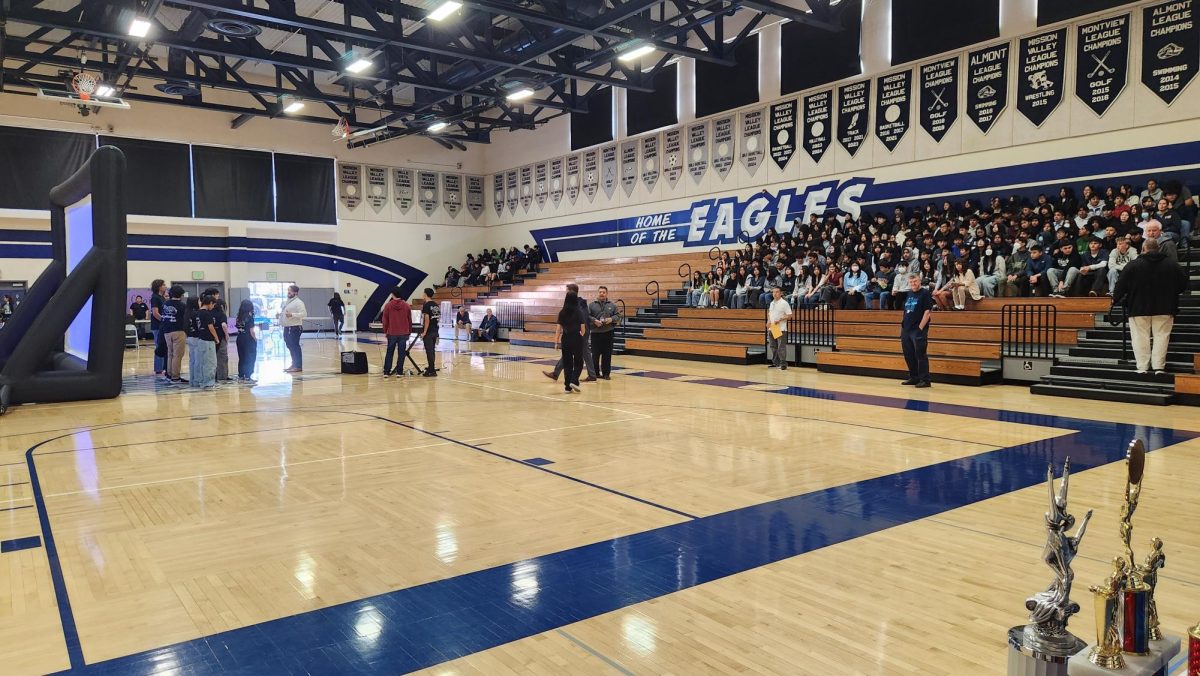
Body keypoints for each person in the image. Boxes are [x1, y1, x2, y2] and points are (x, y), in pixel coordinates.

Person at [1112, 238, 1187, 375]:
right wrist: (1171, 293)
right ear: (1158, 248)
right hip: (1165, 306)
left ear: (1143, 248)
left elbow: (1120, 286)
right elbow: (1183, 284)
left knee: (1140, 337)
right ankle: (1158, 367)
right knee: (1162, 336)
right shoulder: (1172, 264)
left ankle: (1142, 367)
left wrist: (1116, 300)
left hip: (1138, 306)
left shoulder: (1133, 265)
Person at [544, 283, 597, 382]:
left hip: (580, 332)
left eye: (567, 291)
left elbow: (583, 318)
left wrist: (582, 332)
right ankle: (591, 374)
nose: (566, 293)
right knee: (582, 353)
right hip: (580, 331)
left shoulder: (579, 303)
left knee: (579, 353)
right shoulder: (577, 303)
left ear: (571, 292)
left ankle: (559, 374)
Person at [900, 273, 933, 388]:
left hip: (917, 329)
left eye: (915, 281)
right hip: (906, 329)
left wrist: (920, 328)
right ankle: (914, 377)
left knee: (920, 355)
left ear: (919, 281)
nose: (913, 284)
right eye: (911, 282)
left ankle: (925, 379)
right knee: (908, 354)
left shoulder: (925, 293)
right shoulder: (909, 293)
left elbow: (927, 312)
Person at [554, 291, 586, 393]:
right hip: (576, 338)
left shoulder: (562, 312)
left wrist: (556, 342)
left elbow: (558, 329)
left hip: (566, 339)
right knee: (579, 362)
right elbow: (583, 329)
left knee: (567, 363)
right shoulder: (579, 312)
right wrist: (581, 336)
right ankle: (573, 380)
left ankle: (567, 387)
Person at [588, 286, 621, 380]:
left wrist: (611, 319)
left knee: (607, 354)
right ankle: (595, 373)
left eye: (603, 292)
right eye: (600, 292)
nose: (602, 294)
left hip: (608, 333)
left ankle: (606, 374)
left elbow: (618, 316)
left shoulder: (613, 305)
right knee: (595, 354)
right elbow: (587, 315)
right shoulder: (591, 305)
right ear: (597, 293)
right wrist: (594, 321)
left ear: (607, 293)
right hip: (595, 333)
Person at [188, 293, 219, 390]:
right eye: (213, 305)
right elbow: (211, 327)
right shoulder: (206, 313)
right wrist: (216, 338)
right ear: (210, 303)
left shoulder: (197, 313)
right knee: (210, 363)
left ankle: (200, 381)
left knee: (201, 362)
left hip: (200, 339)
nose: (213, 307)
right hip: (208, 341)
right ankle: (208, 383)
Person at [380, 287, 412, 378]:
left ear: (392, 294)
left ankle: (386, 372)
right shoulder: (406, 305)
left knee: (389, 352)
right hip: (403, 333)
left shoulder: (388, 305)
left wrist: (385, 331)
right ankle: (399, 372)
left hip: (392, 333)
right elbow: (409, 320)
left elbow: (385, 320)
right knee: (401, 353)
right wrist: (409, 331)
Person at [162, 285, 188, 383]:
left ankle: (169, 374)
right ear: (181, 295)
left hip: (167, 331)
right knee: (178, 355)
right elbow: (185, 319)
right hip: (178, 331)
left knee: (170, 354)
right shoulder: (182, 306)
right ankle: (176, 376)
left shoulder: (165, 303)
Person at [280, 284, 307, 373]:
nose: (288, 292)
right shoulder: (288, 302)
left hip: (294, 327)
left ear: (295, 292)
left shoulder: (299, 302)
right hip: (287, 327)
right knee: (290, 346)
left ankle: (298, 366)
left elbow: (304, 314)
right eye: (288, 290)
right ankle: (294, 364)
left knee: (295, 347)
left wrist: (292, 315)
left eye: (290, 290)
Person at [207, 289, 232, 382]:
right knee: (222, 357)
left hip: (210, 338)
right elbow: (224, 325)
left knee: (212, 358)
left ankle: (214, 375)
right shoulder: (221, 314)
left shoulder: (209, 312)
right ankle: (222, 376)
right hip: (220, 337)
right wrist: (227, 335)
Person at [766, 286, 791, 370]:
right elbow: (770, 313)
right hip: (773, 327)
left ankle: (783, 363)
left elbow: (790, 315)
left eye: (777, 292)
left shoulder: (784, 303)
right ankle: (776, 363)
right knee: (773, 346)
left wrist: (780, 319)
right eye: (773, 292)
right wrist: (768, 321)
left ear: (781, 293)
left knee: (781, 346)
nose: (775, 294)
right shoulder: (772, 303)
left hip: (781, 328)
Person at [234, 299, 258, 383]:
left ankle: (241, 375)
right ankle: (248, 376)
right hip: (248, 339)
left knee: (242, 357)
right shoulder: (250, 317)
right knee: (250, 357)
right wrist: (255, 339)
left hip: (240, 337)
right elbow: (251, 330)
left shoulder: (238, 317)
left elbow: (237, 327)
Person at [419, 287, 440, 377]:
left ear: (425, 294)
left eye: (423, 293)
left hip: (429, 331)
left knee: (429, 351)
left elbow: (426, 320)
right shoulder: (436, 305)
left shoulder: (426, 305)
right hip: (435, 330)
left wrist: (424, 332)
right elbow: (438, 318)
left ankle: (431, 371)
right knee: (432, 351)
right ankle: (431, 368)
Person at [149, 280, 167, 377]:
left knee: (164, 346)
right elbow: (155, 313)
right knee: (159, 347)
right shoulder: (155, 298)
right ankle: (158, 369)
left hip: (163, 326)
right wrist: (165, 320)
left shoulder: (162, 297)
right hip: (157, 326)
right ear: (158, 286)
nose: (165, 286)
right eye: (163, 285)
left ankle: (163, 367)